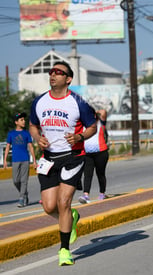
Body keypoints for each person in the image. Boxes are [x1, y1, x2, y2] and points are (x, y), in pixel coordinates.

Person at [29, 61, 97, 266]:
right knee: (50, 207)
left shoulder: (78, 102)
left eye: (59, 72)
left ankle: (64, 250)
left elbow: (92, 127)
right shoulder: (39, 102)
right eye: (51, 72)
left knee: (63, 202)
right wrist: (37, 137)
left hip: (73, 156)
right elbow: (33, 125)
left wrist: (80, 136)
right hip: (49, 158)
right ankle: (72, 218)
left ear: (68, 79)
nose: (53, 75)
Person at [3, 112, 37, 207]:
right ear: (16, 122)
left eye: (24, 119)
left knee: (24, 180)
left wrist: (34, 161)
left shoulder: (26, 133)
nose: (23, 121)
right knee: (16, 180)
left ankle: (22, 198)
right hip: (15, 160)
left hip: (25, 159)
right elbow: (7, 147)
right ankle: (24, 193)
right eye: (21, 120)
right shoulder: (11, 134)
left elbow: (30, 147)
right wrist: (5, 160)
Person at [79, 109, 109, 204]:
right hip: (88, 154)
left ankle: (102, 193)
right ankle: (86, 195)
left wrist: (93, 111)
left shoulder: (100, 122)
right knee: (87, 174)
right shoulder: (83, 125)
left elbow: (103, 111)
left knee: (100, 174)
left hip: (101, 152)